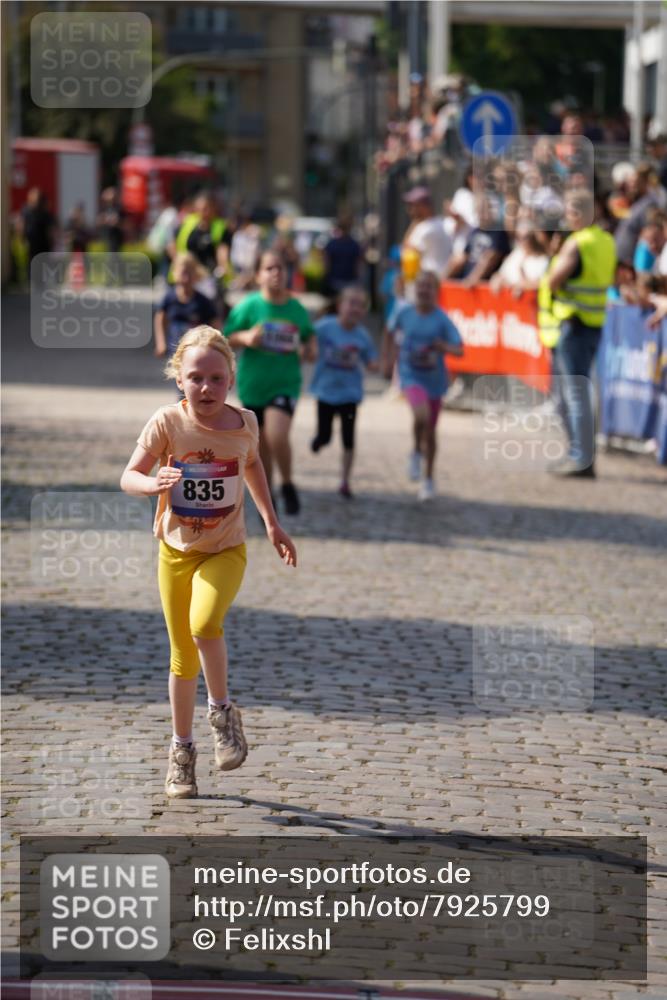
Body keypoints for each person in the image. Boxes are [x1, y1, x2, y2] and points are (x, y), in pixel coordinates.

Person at [120, 326, 297, 799]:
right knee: (181, 658)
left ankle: (222, 714)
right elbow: (128, 475)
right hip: (175, 552)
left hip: (225, 549)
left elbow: (252, 464)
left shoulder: (245, 424)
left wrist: (272, 523)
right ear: (178, 378)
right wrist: (153, 484)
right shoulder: (167, 422)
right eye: (196, 377)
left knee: (204, 623)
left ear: (231, 379)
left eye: (217, 378)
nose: (206, 388)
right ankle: (181, 753)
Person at [224, 250, 316, 515]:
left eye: (280, 268)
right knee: (261, 444)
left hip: (285, 383)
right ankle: (269, 495)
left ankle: (287, 483)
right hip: (253, 385)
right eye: (269, 268)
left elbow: (309, 338)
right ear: (258, 276)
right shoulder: (249, 306)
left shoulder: (296, 308)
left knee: (277, 435)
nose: (276, 273)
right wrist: (246, 338)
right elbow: (226, 337)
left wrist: (310, 349)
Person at [548, 190, 617, 477]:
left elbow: (553, 281)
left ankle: (582, 459)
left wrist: (555, 256)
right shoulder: (607, 241)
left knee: (574, 395)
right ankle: (581, 456)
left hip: (574, 323)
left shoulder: (577, 242)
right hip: (595, 324)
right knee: (582, 392)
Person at [386, 271, 464, 500]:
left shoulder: (441, 319)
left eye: (429, 286)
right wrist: (386, 359)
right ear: (414, 289)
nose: (424, 290)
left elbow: (459, 349)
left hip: (435, 381)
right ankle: (416, 452)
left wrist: (443, 347)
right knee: (421, 415)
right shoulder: (404, 313)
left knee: (430, 431)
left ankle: (428, 478)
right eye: (420, 286)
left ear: (436, 292)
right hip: (410, 375)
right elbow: (389, 332)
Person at [309, 286, 379, 498]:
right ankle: (319, 440)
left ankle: (345, 481)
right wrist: (309, 349)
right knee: (326, 435)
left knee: (349, 439)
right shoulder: (325, 327)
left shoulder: (362, 336)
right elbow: (308, 336)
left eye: (360, 306)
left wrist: (373, 365)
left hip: (350, 393)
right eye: (351, 304)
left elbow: (371, 359)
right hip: (325, 391)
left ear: (364, 311)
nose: (355, 309)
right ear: (340, 306)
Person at [154, 252, 220, 359]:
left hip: (196, 353)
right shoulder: (169, 298)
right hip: (174, 352)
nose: (186, 278)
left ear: (196, 275)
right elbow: (160, 318)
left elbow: (215, 324)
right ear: (175, 273)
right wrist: (161, 342)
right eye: (183, 273)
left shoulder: (203, 301)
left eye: (189, 274)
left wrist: (212, 345)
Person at [444, 197, 510, 286]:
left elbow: (490, 259)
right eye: (479, 210)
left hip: (481, 286)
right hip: (466, 282)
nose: (481, 214)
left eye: (484, 210)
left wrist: (472, 280)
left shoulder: (499, 233)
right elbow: (463, 256)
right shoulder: (475, 231)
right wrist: (443, 279)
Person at [401, 187, 453, 298]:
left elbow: (406, 250)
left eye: (414, 205)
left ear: (425, 206)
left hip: (425, 283)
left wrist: (415, 222)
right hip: (439, 280)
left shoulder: (425, 228)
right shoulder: (441, 222)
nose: (410, 209)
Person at [323, 216, 362, 296]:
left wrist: (326, 276)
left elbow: (327, 263)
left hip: (335, 280)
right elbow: (358, 265)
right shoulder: (354, 245)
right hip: (349, 280)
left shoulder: (332, 244)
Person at [21, 188, 55, 261]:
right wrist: (23, 239)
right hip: (31, 246)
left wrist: (51, 242)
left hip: (43, 246)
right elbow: (23, 226)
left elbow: (50, 230)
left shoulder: (44, 213)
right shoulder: (26, 211)